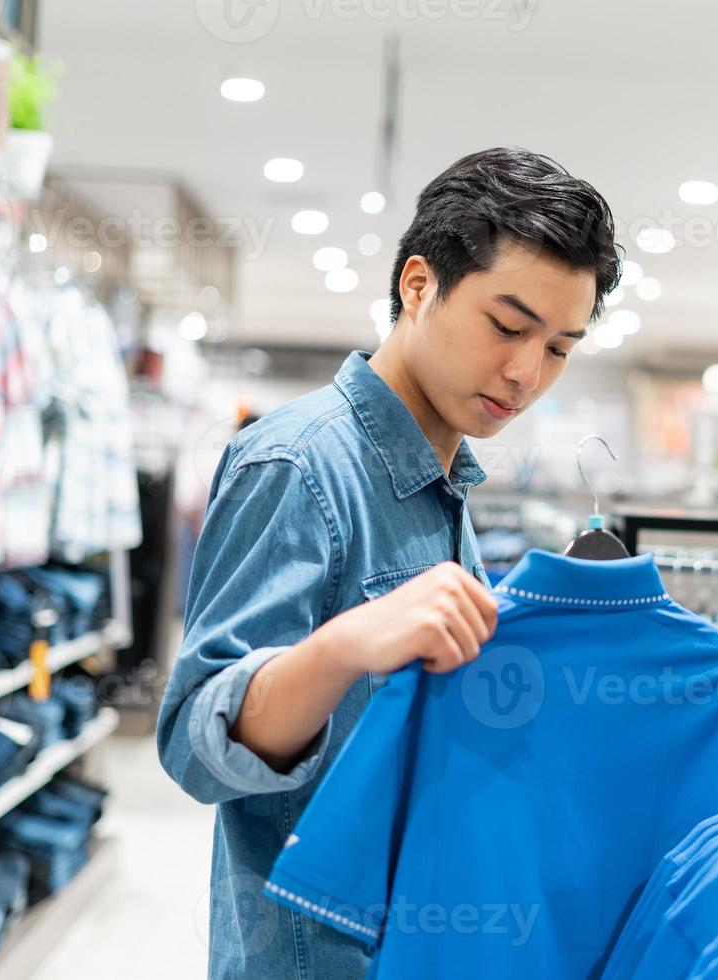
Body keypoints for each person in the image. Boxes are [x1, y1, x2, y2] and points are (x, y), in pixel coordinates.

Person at [156, 147, 620, 979]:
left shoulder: (442, 483)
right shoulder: (299, 464)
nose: (525, 373)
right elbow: (194, 744)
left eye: (558, 348)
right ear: (418, 286)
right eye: (507, 326)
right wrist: (342, 647)